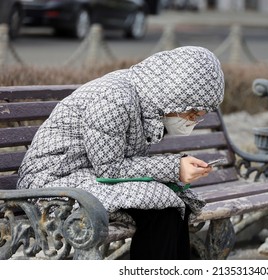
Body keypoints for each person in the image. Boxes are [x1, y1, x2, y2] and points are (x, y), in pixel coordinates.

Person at [17, 46, 225, 260]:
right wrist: (175, 168)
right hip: (51, 183)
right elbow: (110, 169)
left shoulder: (145, 101)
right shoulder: (115, 98)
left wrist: (176, 170)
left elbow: (112, 165)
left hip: (86, 175)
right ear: (174, 94)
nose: (192, 121)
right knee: (162, 209)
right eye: (192, 113)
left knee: (175, 204)